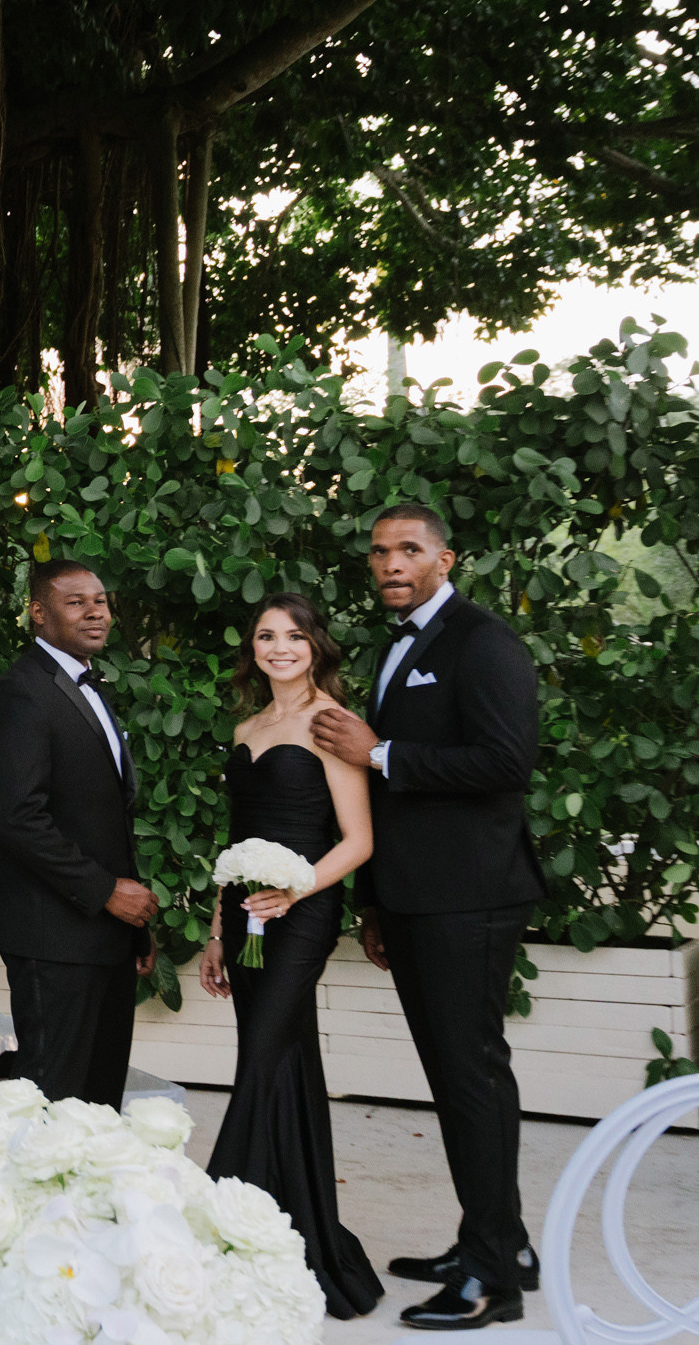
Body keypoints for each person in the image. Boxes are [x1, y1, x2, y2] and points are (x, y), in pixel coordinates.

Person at [313, 503, 545, 1330]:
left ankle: (493, 1280)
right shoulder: (398, 643)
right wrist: (375, 901)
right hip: (414, 897)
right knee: (461, 1081)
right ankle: (500, 1240)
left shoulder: (484, 643)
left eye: (409, 549)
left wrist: (375, 751)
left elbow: (505, 761)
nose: (390, 563)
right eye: (379, 551)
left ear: (447, 558)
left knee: (471, 1080)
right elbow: (386, 798)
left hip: (470, 895)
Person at [198, 595, 383, 1321]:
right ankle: (298, 1229)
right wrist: (217, 927)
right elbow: (237, 833)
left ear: (316, 646)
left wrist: (296, 888)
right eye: (267, 636)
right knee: (284, 1063)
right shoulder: (248, 726)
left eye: (295, 636)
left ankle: (216, 1232)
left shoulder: (330, 722)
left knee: (260, 1062)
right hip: (244, 913)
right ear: (253, 648)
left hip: (300, 915)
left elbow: (358, 837)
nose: (280, 647)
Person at [0, 558, 157, 1106]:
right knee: (52, 1099)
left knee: (101, 1098)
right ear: (38, 612)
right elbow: (18, 819)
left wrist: (133, 931)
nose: (95, 612)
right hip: (51, 935)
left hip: (103, 935)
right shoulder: (20, 693)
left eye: (100, 601)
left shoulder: (88, 686)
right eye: (76, 602)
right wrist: (106, 892)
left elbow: (104, 818)